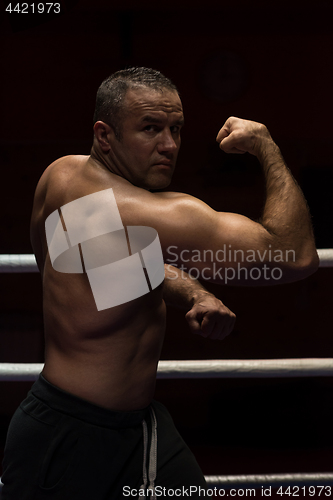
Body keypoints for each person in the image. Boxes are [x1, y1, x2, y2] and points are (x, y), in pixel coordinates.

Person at [1, 67, 318, 499]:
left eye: (176, 129)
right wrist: (267, 147)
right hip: (72, 434)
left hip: (136, 426)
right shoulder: (153, 214)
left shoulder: (63, 178)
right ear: (104, 134)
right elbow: (294, 254)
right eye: (150, 128)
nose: (168, 145)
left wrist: (193, 291)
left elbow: (107, 261)